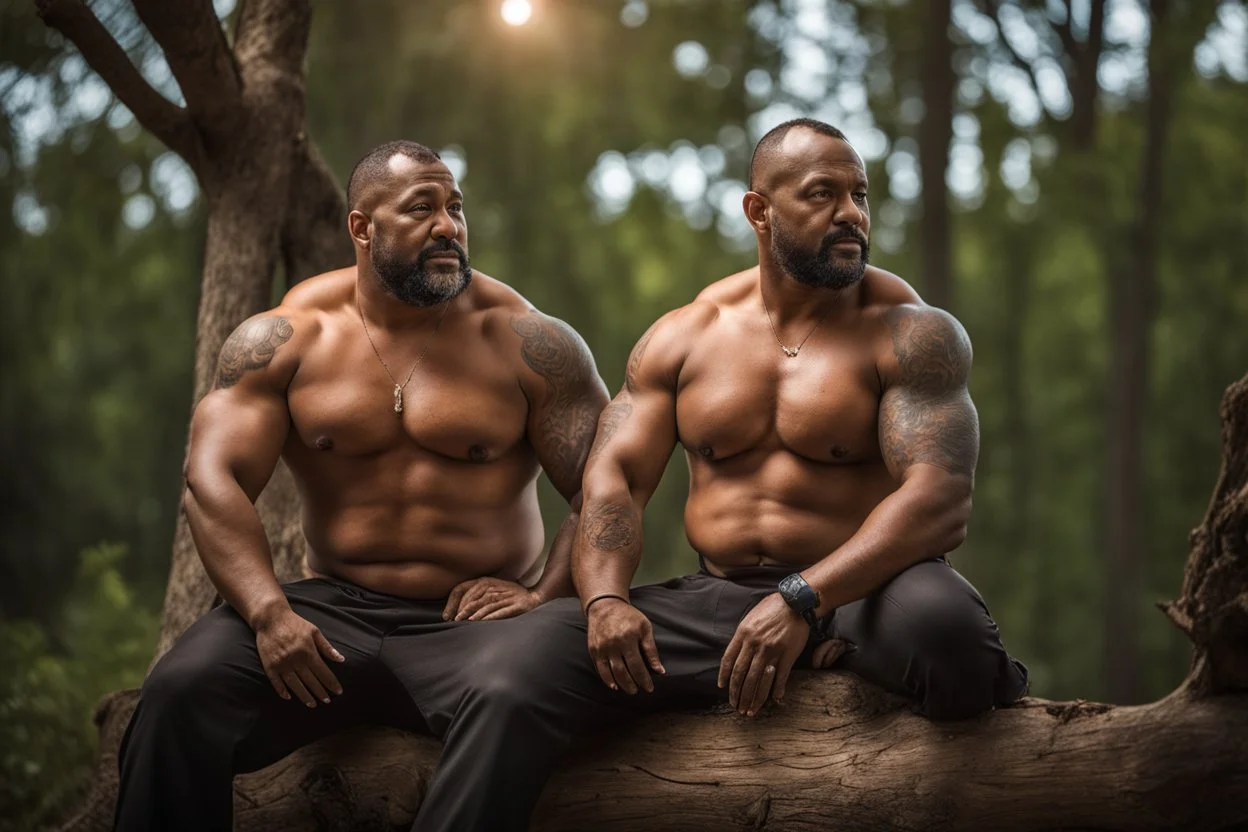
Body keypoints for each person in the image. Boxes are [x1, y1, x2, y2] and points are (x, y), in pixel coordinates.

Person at [432, 118, 1028, 828]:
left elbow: (939, 501)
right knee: (520, 663)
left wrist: (803, 600)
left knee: (948, 635)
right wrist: (605, 602)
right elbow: (613, 480)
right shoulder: (686, 336)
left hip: (865, 588)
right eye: (822, 194)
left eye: (860, 195)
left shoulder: (910, 330)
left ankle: (837, 662)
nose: (851, 215)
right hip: (720, 602)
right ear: (759, 211)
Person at [113, 140, 609, 832]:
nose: (449, 227)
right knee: (178, 692)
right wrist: (268, 615)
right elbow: (210, 478)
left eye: (456, 208)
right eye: (422, 209)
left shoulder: (528, 342)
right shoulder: (288, 338)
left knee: (516, 692)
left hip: (475, 626)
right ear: (362, 227)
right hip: (331, 615)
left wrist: (542, 594)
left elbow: (608, 485)